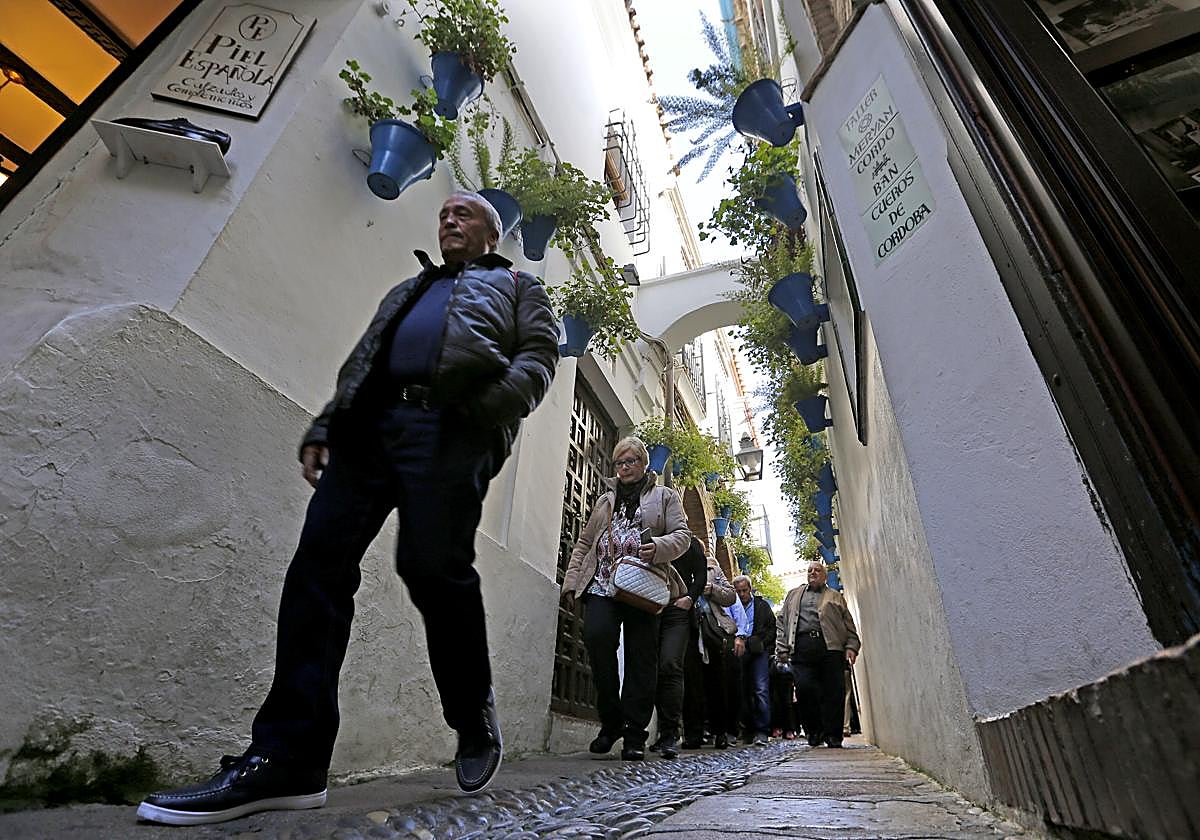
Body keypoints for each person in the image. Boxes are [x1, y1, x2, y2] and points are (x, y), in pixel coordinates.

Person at [137, 192, 560, 825]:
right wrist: (329, 422)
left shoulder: (520, 287)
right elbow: (367, 359)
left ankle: (471, 712)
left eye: (464, 214)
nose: (449, 220)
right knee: (318, 566)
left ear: (492, 235)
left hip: (451, 430)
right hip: (371, 428)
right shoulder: (411, 288)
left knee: (431, 569)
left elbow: (540, 357)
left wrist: (484, 412)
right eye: (444, 213)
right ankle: (290, 758)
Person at [560, 437, 690, 761]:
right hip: (603, 583)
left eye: (631, 461)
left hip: (643, 586)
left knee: (641, 659)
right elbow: (584, 543)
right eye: (619, 462)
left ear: (644, 463)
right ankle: (611, 720)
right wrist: (571, 583)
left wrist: (658, 547)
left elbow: (683, 536)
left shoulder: (665, 496)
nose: (625, 467)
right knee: (596, 638)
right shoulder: (605, 499)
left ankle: (634, 734)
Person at [776, 561, 861, 748]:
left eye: (817, 570)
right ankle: (814, 732)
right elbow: (781, 622)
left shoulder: (835, 596)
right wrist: (782, 648)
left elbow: (849, 625)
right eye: (810, 570)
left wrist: (851, 647)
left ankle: (833, 735)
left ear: (825, 576)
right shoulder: (794, 595)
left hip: (830, 649)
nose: (812, 573)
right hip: (802, 649)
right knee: (805, 690)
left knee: (834, 693)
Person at [649, 535, 706, 758]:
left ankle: (670, 733)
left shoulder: (690, 542)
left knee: (670, 665)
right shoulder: (652, 533)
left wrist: (689, 598)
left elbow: (700, 575)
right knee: (650, 667)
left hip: (677, 611)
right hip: (649, 605)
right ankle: (651, 731)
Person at [681, 549, 737, 749]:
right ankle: (693, 734)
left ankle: (720, 732)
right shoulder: (677, 564)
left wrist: (712, 589)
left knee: (717, 682)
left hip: (711, 629)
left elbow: (730, 596)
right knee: (691, 683)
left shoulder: (713, 568)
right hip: (686, 627)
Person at [727, 575, 776, 745]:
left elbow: (771, 628)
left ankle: (762, 730)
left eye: (744, 590)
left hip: (758, 651)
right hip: (738, 651)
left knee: (760, 689)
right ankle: (745, 729)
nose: (742, 594)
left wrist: (762, 644)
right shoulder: (731, 606)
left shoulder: (762, 606)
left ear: (750, 589)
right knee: (740, 689)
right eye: (738, 591)